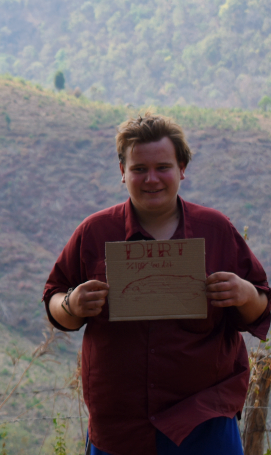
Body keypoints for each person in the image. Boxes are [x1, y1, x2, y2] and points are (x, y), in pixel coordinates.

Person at [42, 112, 269, 455]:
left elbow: (260, 309)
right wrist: (72, 303)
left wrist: (244, 292)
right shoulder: (95, 232)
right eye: (138, 169)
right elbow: (54, 302)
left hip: (203, 419)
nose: (151, 179)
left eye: (163, 167)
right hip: (120, 424)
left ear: (182, 169)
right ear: (123, 173)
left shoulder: (216, 229)